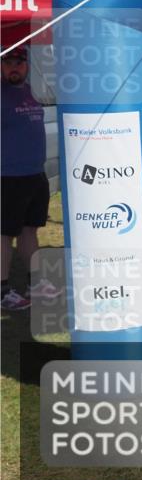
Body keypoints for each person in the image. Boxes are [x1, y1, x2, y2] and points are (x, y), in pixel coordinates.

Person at [1, 47, 51, 311]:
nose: (14, 67)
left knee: (29, 230)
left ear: (27, 65)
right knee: (4, 234)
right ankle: (2, 291)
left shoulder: (32, 92)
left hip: (35, 174)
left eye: (19, 62)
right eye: (8, 62)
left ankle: (36, 284)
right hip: (8, 176)